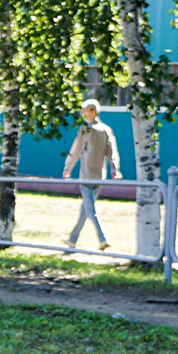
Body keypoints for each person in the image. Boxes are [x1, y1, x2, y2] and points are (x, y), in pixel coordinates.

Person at [62, 99, 122, 249]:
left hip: (87, 175)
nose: (82, 113)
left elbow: (76, 150)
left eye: (85, 110)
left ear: (93, 111)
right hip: (99, 177)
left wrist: (67, 167)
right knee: (85, 209)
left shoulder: (86, 130)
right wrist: (114, 170)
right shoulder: (106, 130)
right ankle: (72, 239)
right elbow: (112, 152)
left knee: (90, 210)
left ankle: (103, 238)